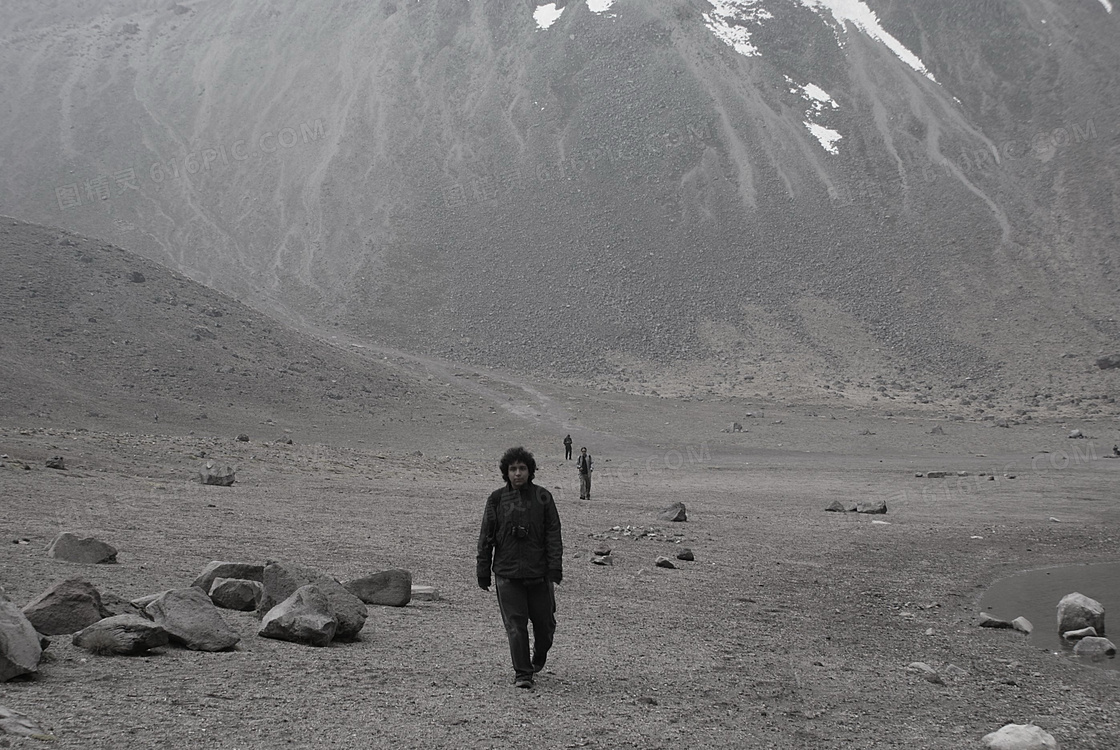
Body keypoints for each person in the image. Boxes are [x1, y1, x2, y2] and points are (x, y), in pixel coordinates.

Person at [477, 446, 563, 689]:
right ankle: (523, 673)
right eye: (513, 469)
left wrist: (555, 567)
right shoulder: (496, 499)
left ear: (530, 471)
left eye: (522, 468)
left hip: (539, 574)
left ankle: (539, 655)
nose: (517, 473)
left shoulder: (543, 498)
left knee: (545, 627)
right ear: (506, 472)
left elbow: (553, 534)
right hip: (507, 574)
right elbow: (485, 537)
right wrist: (483, 570)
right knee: (515, 626)